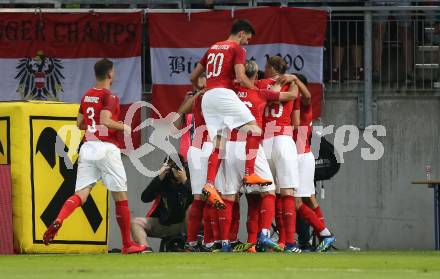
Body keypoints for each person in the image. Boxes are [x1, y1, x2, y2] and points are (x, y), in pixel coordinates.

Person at [43, 59, 146, 254]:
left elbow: (79, 123)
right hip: (106, 148)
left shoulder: (87, 95)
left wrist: (94, 125)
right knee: (120, 196)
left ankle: (60, 219)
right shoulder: (110, 96)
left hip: (88, 147)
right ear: (110, 74)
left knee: (82, 192)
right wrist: (124, 126)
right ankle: (127, 244)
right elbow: (106, 121)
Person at [189, 19, 272, 210]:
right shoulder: (237, 49)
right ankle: (249, 172)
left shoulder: (212, 48)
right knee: (255, 128)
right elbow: (241, 77)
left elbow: (193, 77)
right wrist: (254, 90)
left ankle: (209, 184)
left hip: (208, 97)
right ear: (241, 33)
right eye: (247, 39)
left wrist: (202, 91)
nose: (247, 44)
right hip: (223, 94)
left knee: (219, 142)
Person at [225, 60, 297, 252]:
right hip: (253, 145)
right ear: (256, 76)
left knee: (232, 197)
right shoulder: (260, 91)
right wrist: (292, 79)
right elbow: (292, 95)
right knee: (271, 192)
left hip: (228, 146)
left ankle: (225, 242)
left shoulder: (229, 93)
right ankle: (269, 236)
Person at [280, 73, 336, 252]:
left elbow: (309, 96)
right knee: (309, 200)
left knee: (296, 202)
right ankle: (323, 236)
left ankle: (324, 234)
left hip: (300, 158)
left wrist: (295, 80)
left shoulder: (304, 104)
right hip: (299, 157)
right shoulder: (292, 105)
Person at [257, 56, 301, 253]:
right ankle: (288, 241)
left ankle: (269, 238)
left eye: (266, 66)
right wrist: (293, 80)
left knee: (270, 193)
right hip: (283, 137)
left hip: (264, 141)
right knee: (287, 193)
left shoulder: (259, 84)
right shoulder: (291, 85)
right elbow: (297, 122)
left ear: (270, 68)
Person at [131, 155, 193, 251]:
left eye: (177, 166)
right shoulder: (163, 180)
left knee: (192, 208)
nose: (175, 170)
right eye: (172, 167)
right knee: (135, 222)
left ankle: (192, 246)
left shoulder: (189, 176)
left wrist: (184, 181)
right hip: (165, 224)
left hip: (186, 224)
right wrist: (159, 177)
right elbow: (145, 197)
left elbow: (198, 201)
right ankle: (145, 249)